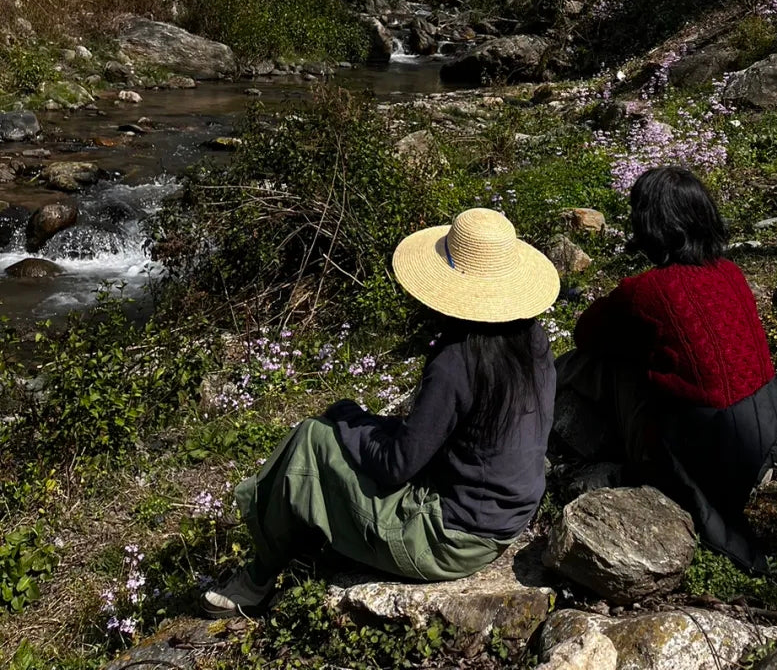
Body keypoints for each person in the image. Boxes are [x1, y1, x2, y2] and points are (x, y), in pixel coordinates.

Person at [201, 207, 560, 616]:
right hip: (505, 519)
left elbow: (394, 465)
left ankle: (258, 577)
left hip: (451, 539)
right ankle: (303, 536)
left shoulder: (457, 359)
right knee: (357, 431)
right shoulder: (531, 339)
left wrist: (345, 419)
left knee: (311, 439)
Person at [557, 166, 777, 570]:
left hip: (704, 451)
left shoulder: (647, 291)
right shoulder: (731, 273)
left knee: (585, 362)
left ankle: (534, 403)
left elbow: (586, 333)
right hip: (770, 429)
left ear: (650, 227)